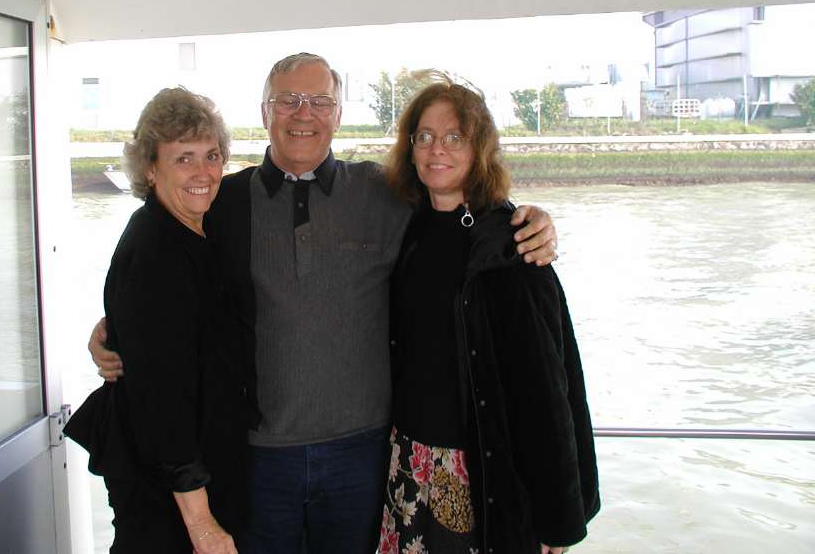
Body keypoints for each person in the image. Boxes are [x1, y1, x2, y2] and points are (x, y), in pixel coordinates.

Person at [89, 53, 560, 554]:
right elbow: (169, 282)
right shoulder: (223, 201)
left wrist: (527, 221)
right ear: (264, 111)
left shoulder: (386, 192)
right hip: (256, 457)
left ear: (338, 114)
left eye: (319, 101)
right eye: (287, 100)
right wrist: (114, 330)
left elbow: (457, 207)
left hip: (364, 453)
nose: (303, 113)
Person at [381, 75, 599, 554]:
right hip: (408, 465)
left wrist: (558, 520)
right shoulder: (407, 227)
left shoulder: (511, 246)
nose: (437, 149)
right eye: (425, 136)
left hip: (479, 475)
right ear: (410, 148)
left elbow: (546, 390)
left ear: (479, 149)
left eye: (454, 137)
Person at [65, 88, 250, 554]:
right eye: (184, 158)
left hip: (203, 472)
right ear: (150, 168)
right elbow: (161, 402)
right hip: (167, 494)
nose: (203, 172)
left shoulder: (196, 229)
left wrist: (114, 327)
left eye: (211, 156)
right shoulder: (155, 251)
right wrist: (201, 524)